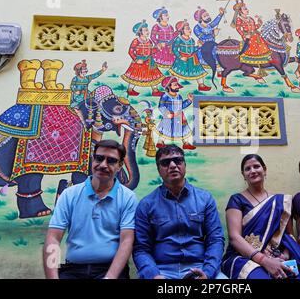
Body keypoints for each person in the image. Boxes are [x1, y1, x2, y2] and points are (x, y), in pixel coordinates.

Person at [42, 139, 138, 279]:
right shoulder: (69, 195)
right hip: (72, 270)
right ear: (92, 160)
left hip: (110, 271)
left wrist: (109, 278)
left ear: (120, 165)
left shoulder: (128, 198)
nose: (103, 165)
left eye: (111, 161)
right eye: (99, 158)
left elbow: (126, 241)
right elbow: (53, 239)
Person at [132, 144, 226, 279]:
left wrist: (207, 273)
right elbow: (141, 248)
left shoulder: (205, 199)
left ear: (185, 165)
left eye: (178, 160)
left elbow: (215, 240)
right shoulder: (146, 205)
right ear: (158, 170)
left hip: (200, 267)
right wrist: (154, 275)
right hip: (161, 270)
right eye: (165, 162)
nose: (172, 165)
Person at [221, 154, 300, 279]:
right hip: (244, 258)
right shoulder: (237, 200)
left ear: (264, 170)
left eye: (256, 166)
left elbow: (288, 235)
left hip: (276, 257)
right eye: (248, 169)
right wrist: (263, 260)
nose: (252, 171)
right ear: (243, 175)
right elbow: (234, 237)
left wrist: (284, 255)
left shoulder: (282, 201)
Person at [121, 20, 165, 97]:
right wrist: (136, 59)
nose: (148, 31)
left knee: (152, 75)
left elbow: (151, 51)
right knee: (135, 76)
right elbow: (130, 51)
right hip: (139, 62)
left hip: (149, 61)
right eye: (145, 30)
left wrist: (157, 48)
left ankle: (155, 91)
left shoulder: (149, 41)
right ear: (140, 32)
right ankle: (130, 90)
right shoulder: (136, 41)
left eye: (147, 30)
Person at [155, 76, 196, 150]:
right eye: (175, 85)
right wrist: (167, 113)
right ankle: (160, 142)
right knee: (166, 129)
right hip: (169, 116)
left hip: (179, 116)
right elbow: (161, 106)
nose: (177, 86)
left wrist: (189, 100)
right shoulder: (165, 96)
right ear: (168, 87)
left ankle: (186, 143)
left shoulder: (179, 96)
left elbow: (181, 106)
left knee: (183, 129)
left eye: (177, 84)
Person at [169, 20, 210, 92]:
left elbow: (193, 49)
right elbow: (174, 49)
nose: (190, 30)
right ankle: (174, 85)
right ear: (182, 30)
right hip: (182, 58)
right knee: (177, 72)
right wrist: (180, 57)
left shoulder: (192, 40)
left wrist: (198, 46)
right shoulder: (179, 39)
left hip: (192, 58)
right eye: (187, 29)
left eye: (189, 28)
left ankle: (201, 85)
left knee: (199, 71)